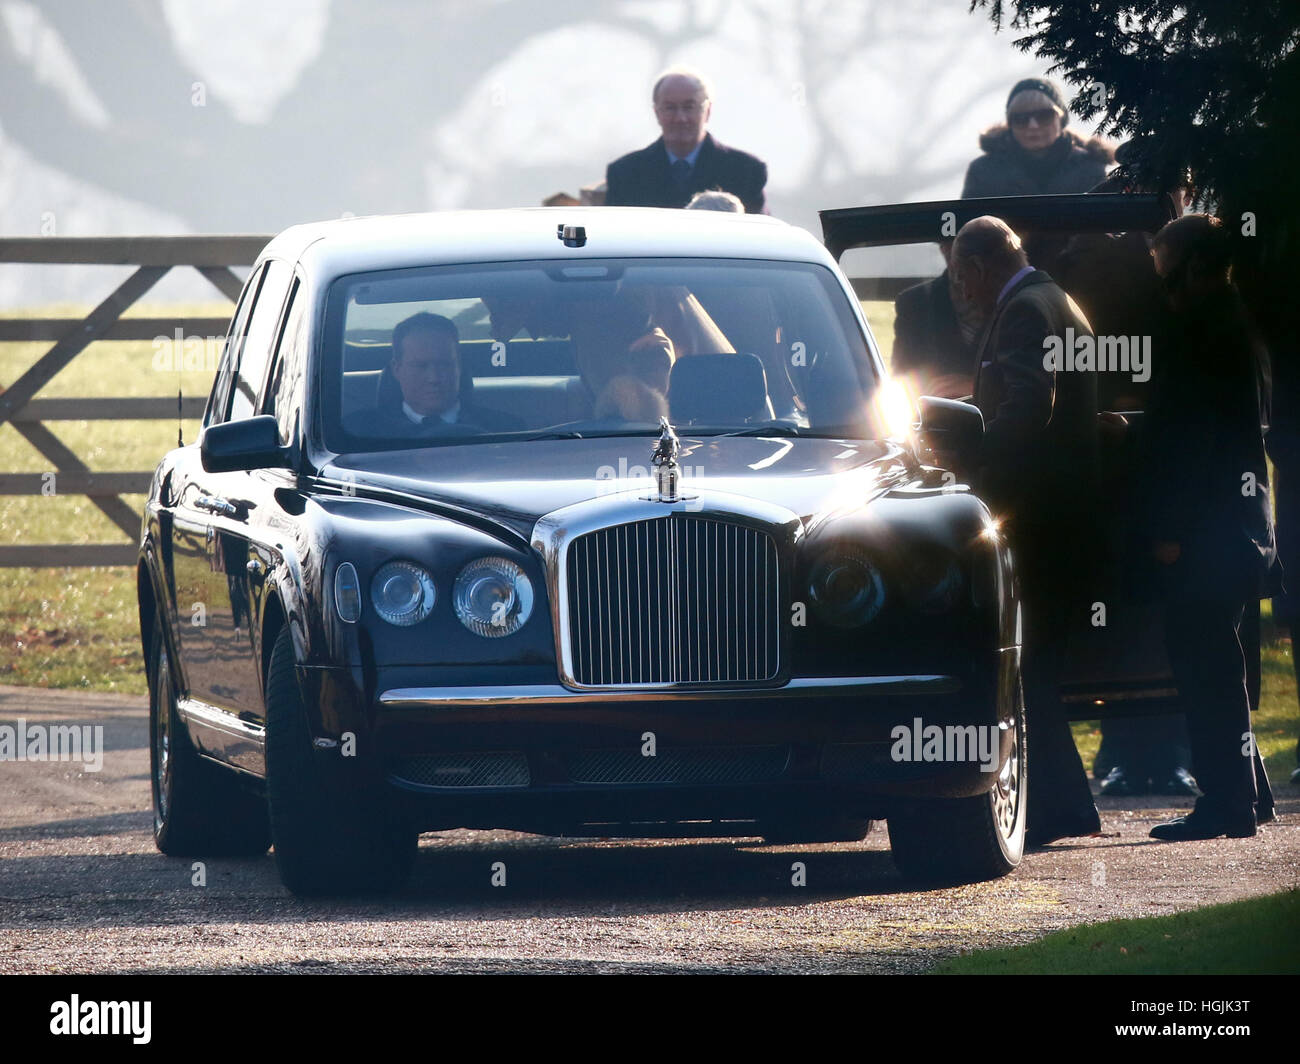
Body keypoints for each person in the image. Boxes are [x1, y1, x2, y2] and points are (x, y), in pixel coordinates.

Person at [950, 215, 1101, 846]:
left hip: (1035, 520)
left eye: (964, 280)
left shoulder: (1023, 313)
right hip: (1065, 519)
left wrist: (977, 476)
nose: (964, 294)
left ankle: (1062, 807)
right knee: (1038, 670)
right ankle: (1065, 804)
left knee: (1025, 668)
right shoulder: (1061, 303)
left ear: (981, 268)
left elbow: (1026, 408)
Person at [1053, 163, 1198, 797]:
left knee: (1168, 608)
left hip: (1164, 454)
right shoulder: (1099, 255)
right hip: (1114, 454)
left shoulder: (1190, 256)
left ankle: (1167, 749)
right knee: (1123, 604)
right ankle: (1126, 748)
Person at [1142, 215, 1276, 841]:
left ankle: (1226, 803)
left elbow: (1191, 444)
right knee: (1224, 664)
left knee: (1205, 669)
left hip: (1204, 532)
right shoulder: (1233, 325)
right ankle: (1249, 792)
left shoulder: (1200, 333)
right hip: (1235, 527)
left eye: (1164, 264)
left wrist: (1168, 527)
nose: (1158, 277)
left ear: (1189, 265)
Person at [962, 78, 1115, 278]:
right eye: (1021, 118)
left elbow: (1105, 235)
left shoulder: (1091, 168)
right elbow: (967, 236)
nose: (1032, 126)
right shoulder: (983, 171)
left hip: (1081, 280)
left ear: (1062, 118)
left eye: (1043, 116)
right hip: (1003, 282)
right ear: (1010, 123)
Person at [605, 69, 768, 215]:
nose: (680, 118)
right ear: (656, 112)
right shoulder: (626, 174)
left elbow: (761, 238)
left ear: (708, 110)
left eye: (689, 107)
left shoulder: (745, 172)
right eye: (670, 108)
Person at [376, 312, 518, 434]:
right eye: (420, 366)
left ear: (459, 366)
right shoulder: (360, 434)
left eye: (444, 365)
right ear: (396, 369)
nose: (434, 378)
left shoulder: (505, 429)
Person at [891, 238, 981, 399]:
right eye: (949, 244)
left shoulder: (1014, 301)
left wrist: (977, 387)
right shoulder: (914, 304)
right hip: (932, 417)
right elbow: (902, 380)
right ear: (943, 248)